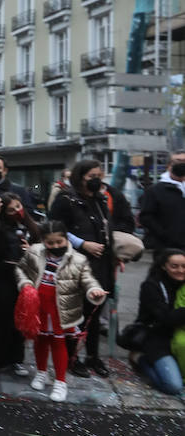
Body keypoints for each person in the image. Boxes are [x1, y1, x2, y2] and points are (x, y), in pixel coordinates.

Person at [15, 221, 108, 402]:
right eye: (51, 243)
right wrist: (25, 285)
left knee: (59, 344)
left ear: (66, 239)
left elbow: (87, 279)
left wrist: (93, 291)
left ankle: (60, 381)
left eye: (60, 242)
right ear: (43, 241)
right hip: (38, 306)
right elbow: (21, 269)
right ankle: (41, 372)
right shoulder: (34, 252)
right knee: (40, 340)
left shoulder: (78, 259)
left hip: (61, 308)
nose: (56, 246)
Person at [50, 160, 116, 377]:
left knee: (95, 315)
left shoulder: (100, 201)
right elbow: (55, 229)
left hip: (100, 266)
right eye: (91, 176)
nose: (96, 179)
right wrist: (82, 243)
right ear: (80, 177)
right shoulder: (66, 200)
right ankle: (73, 358)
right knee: (76, 315)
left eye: (99, 174)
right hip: (75, 264)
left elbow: (107, 230)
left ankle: (93, 357)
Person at [0, 193, 39, 379]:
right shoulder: (0, 226)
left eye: (18, 207)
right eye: (11, 209)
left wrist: (31, 251)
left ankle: (17, 360)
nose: (17, 211)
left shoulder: (31, 226)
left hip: (26, 278)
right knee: (4, 320)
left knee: (21, 320)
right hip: (4, 277)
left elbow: (43, 250)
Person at [127, 247, 185, 396]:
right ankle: (140, 359)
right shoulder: (151, 286)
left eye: (184, 266)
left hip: (180, 337)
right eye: (174, 266)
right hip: (157, 339)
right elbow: (166, 319)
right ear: (163, 266)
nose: (180, 270)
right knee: (173, 386)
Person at [138, 150, 185, 250]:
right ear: (169, 165)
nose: (181, 164)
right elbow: (146, 217)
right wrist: (166, 235)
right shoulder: (155, 191)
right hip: (167, 248)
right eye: (178, 161)